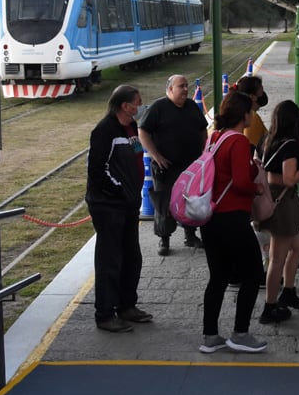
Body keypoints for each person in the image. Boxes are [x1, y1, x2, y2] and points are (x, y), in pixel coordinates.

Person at [198, 92, 269, 354]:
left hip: (210, 217)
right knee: (252, 273)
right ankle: (240, 332)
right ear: (244, 115)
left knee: (218, 277)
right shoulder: (239, 141)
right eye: (251, 110)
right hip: (232, 218)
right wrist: (257, 189)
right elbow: (240, 182)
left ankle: (210, 336)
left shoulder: (215, 137)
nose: (254, 114)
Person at [85, 85, 152, 333]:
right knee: (110, 260)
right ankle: (105, 313)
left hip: (129, 205)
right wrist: (120, 191)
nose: (140, 106)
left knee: (131, 257)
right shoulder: (104, 131)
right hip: (109, 207)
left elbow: (137, 154)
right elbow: (97, 171)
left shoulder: (132, 127)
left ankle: (127, 305)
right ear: (125, 106)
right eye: (138, 102)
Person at [139, 74, 208, 256]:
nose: (186, 89)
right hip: (166, 167)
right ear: (170, 89)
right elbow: (143, 132)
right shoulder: (158, 107)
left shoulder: (192, 106)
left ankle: (190, 235)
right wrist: (156, 155)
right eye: (181, 86)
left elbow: (203, 129)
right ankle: (164, 238)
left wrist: (202, 153)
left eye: (187, 85)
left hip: (190, 167)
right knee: (164, 204)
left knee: (190, 202)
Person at [258, 100, 299, 323]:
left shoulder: (266, 139)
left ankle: (288, 291)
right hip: (282, 199)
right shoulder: (290, 145)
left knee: (297, 244)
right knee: (277, 257)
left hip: (270, 195)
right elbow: (290, 179)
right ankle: (269, 307)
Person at [235, 75, 269, 153]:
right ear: (252, 97)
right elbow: (252, 150)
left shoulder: (239, 112)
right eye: (261, 92)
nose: (263, 95)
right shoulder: (252, 119)